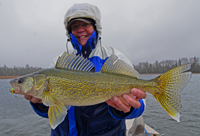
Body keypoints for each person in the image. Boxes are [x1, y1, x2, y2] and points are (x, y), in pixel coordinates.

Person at [24, 3, 147, 136]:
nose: (80, 29)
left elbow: (140, 102)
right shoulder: (58, 63)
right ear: (69, 32)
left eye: (85, 24)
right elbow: (52, 112)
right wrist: (40, 104)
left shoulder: (114, 57)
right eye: (75, 26)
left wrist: (128, 108)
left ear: (96, 27)